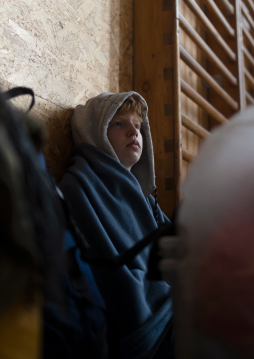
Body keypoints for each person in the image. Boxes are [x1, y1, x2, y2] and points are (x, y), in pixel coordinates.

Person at [58, 92, 174, 359]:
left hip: (169, 312)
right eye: (119, 123)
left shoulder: (144, 198)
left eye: (138, 125)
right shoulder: (80, 187)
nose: (134, 131)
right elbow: (110, 279)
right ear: (94, 132)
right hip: (149, 331)